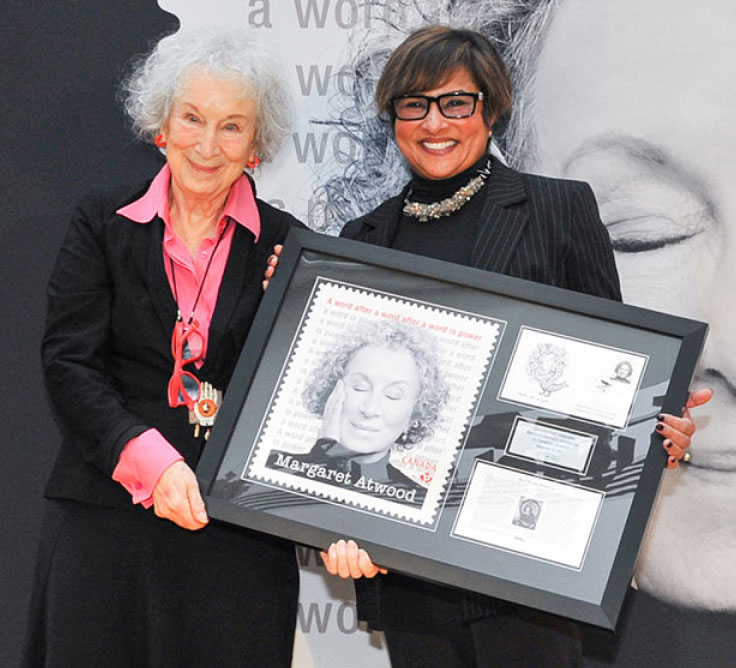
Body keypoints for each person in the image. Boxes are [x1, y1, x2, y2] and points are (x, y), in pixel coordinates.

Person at [307, 26, 711, 668]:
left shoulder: (558, 209)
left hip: (527, 556)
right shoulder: (363, 240)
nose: (434, 122)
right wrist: (336, 522)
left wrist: (659, 430)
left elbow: (621, 365)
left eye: (455, 103)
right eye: (414, 104)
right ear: (393, 118)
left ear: (490, 109)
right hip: (409, 568)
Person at [22, 29, 303, 668]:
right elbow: (69, 363)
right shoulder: (101, 220)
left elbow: (305, 395)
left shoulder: (291, 250)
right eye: (193, 119)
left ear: (256, 146)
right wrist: (153, 460)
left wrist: (289, 299)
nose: (207, 145)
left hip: (232, 541)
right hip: (103, 519)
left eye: (232, 127)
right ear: (161, 125)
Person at [266, 322, 447, 504]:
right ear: (331, 390)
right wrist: (324, 453)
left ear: (415, 414)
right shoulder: (271, 463)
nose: (370, 410)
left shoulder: (420, 501)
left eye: (393, 396)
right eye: (359, 388)